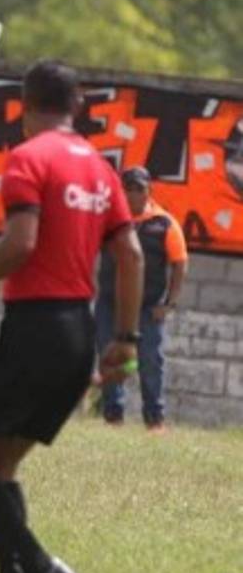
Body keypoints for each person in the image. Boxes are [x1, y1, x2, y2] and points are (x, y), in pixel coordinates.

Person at [0, 60, 144, 573]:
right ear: (76, 107)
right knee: (0, 468)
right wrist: (124, 340)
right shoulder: (102, 172)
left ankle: (40, 567)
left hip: (34, 328)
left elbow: (22, 241)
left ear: (25, 106)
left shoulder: (29, 158)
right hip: (79, 334)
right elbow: (130, 256)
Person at [94, 166, 187, 433]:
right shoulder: (110, 220)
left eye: (140, 189)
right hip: (111, 304)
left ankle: (154, 419)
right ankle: (113, 416)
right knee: (111, 358)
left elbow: (180, 264)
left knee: (149, 361)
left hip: (148, 308)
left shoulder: (165, 223)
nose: (134, 194)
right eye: (129, 189)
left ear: (150, 191)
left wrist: (169, 303)